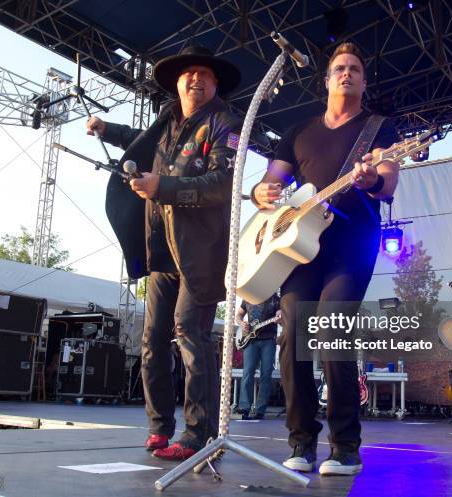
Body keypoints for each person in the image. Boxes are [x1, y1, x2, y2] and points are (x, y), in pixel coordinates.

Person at [250, 42, 399, 476]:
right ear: (327, 80)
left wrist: (371, 179)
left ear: (364, 80)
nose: (347, 73)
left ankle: (345, 448)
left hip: (351, 247)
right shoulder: (298, 131)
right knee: (292, 335)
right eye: (339, 68)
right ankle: (300, 441)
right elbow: (270, 183)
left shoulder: (378, 129)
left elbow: (388, 184)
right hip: (299, 249)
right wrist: (262, 192)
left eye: (354, 68)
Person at [86, 46, 242, 460]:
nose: (195, 79)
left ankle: (199, 433)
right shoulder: (167, 121)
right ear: (177, 82)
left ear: (215, 84)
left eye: (204, 74)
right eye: (188, 73)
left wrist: (164, 189)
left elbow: (223, 181)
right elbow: (136, 141)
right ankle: (159, 427)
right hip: (161, 250)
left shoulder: (224, 122)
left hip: (202, 252)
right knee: (153, 341)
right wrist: (105, 129)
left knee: (190, 334)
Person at [234, 294, 281, 420]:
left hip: (269, 340)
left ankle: (260, 410)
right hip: (250, 341)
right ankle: (244, 408)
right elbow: (238, 316)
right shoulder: (248, 296)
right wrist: (242, 323)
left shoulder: (275, 298)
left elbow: (280, 316)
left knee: (266, 374)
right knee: (247, 373)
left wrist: (279, 318)